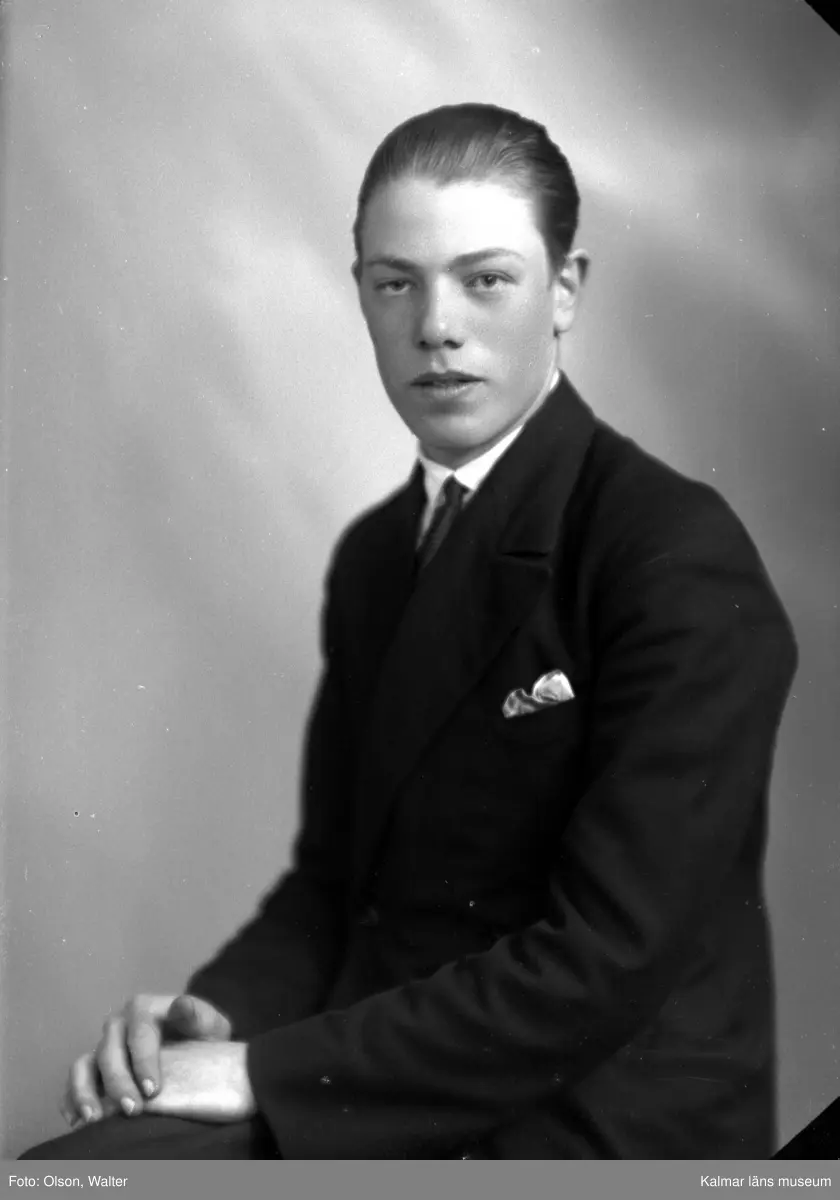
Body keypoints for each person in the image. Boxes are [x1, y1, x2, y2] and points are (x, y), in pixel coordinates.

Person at [22, 102, 798, 1160]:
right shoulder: (377, 557)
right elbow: (338, 888)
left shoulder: (672, 553)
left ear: (566, 290)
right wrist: (215, 1019)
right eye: (397, 284)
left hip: (595, 1128)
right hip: (390, 1079)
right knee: (78, 1171)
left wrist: (259, 1073)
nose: (437, 325)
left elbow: (607, 959)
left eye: (486, 280)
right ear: (361, 295)